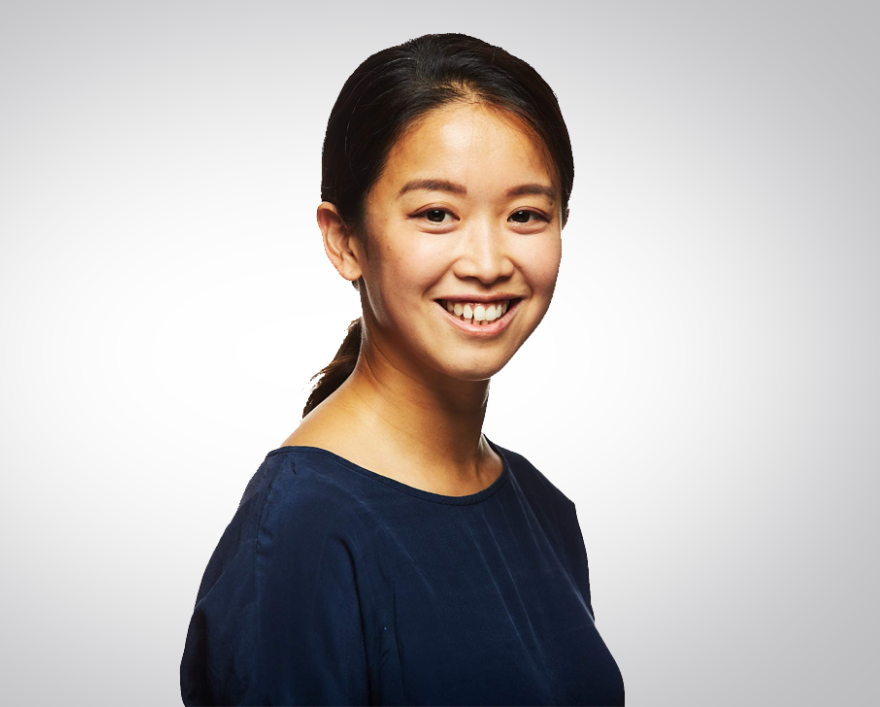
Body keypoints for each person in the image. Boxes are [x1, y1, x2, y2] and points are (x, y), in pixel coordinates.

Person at [180, 33, 624, 706]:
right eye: (436, 213)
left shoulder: (541, 506)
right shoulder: (301, 532)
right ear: (345, 239)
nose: (487, 261)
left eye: (526, 214)